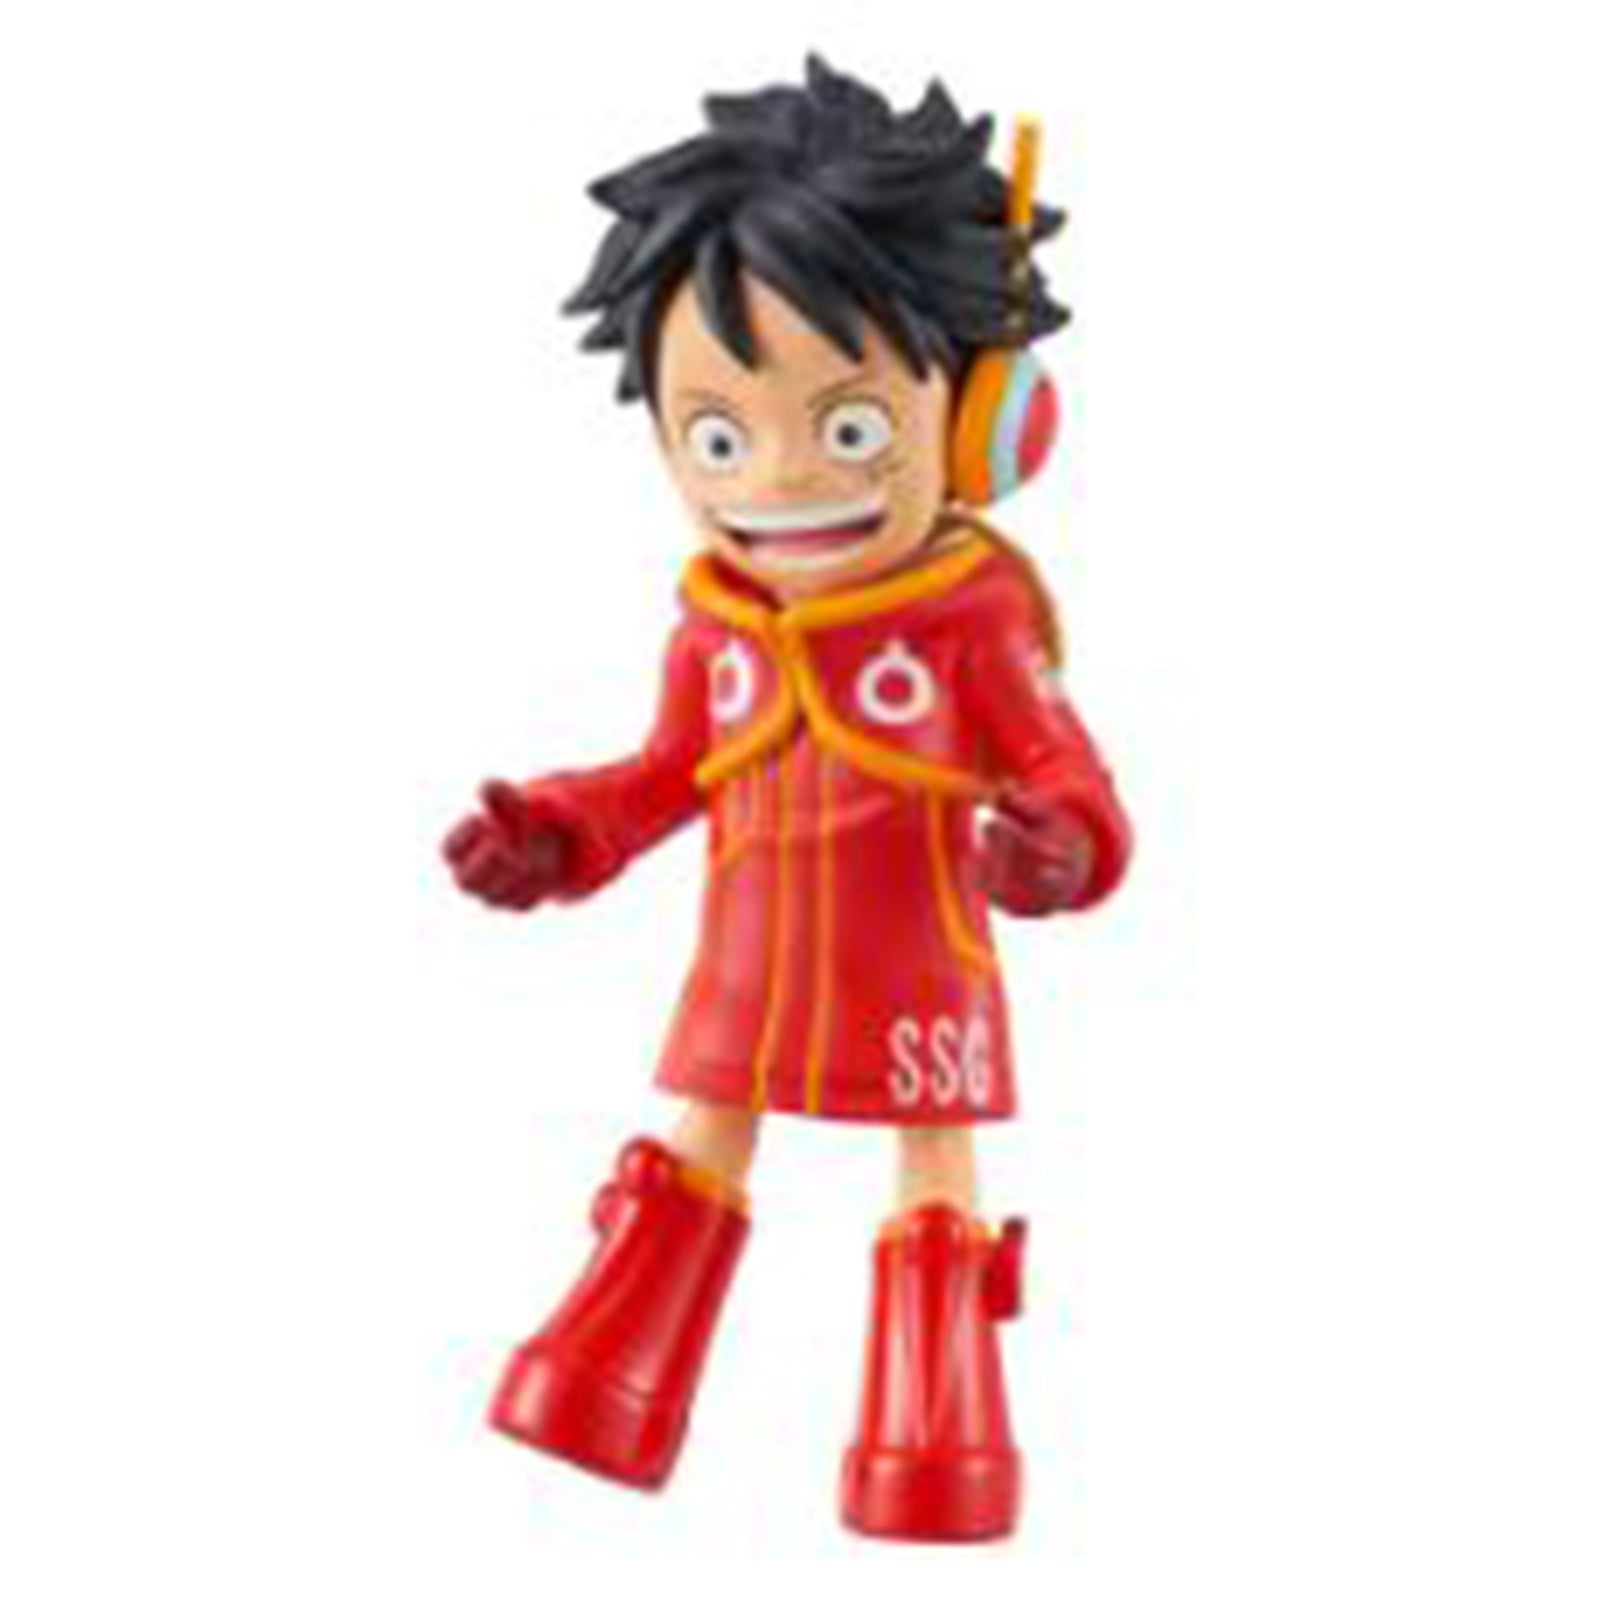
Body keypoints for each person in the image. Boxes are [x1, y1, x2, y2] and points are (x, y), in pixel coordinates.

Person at [442, 56, 1132, 1542]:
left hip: (921, 963)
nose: (779, 478)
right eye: (717, 434)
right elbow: (659, 778)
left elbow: (1065, 769)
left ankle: (936, 1444)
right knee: (704, 1129)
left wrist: (1062, 847)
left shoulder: (973, 622)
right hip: (745, 968)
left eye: (852, 426)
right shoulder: (717, 628)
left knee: (933, 1172)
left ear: (985, 422)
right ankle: (610, 1376)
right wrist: (554, 832)